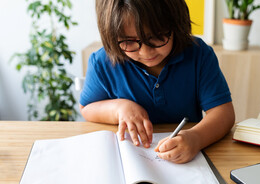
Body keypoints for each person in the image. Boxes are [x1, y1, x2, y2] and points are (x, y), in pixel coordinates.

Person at [80, 0, 235, 164]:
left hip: (189, 159)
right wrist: (118, 108)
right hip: (129, 158)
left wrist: (196, 138)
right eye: (129, 41)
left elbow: (224, 113)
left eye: (156, 37)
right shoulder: (103, 62)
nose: (145, 52)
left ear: (176, 24)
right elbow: (86, 108)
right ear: (111, 37)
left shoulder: (199, 55)